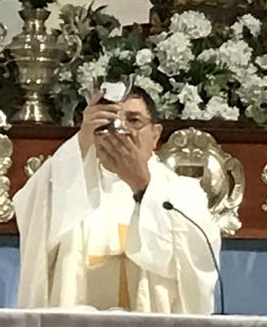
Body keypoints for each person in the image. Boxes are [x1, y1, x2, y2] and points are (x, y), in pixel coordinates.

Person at [13, 87, 220, 313]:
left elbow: (196, 260)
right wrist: (83, 138)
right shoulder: (70, 185)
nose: (121, 131)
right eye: (108, 122)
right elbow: (33, 208)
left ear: (155, 134)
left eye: (134, 120)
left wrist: (142, 186)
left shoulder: (183, 194)